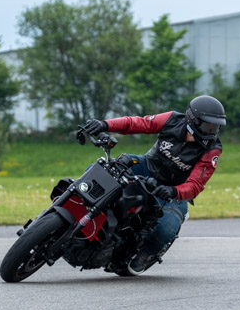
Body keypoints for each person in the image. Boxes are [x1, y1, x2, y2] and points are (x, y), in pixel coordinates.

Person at [83, 95, 226, 275]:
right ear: (193, 120)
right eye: (208, 126)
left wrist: (173, 191)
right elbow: (137, 123)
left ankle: (147, 253)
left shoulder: (213, 149)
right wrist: (105, 125)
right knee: (97, 170)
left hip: (173, 191)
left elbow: (196, 184)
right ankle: (78, 205)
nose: (212, 131)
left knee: (166, 228)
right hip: (145, 166)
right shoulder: (172, 120)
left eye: (215, 127)